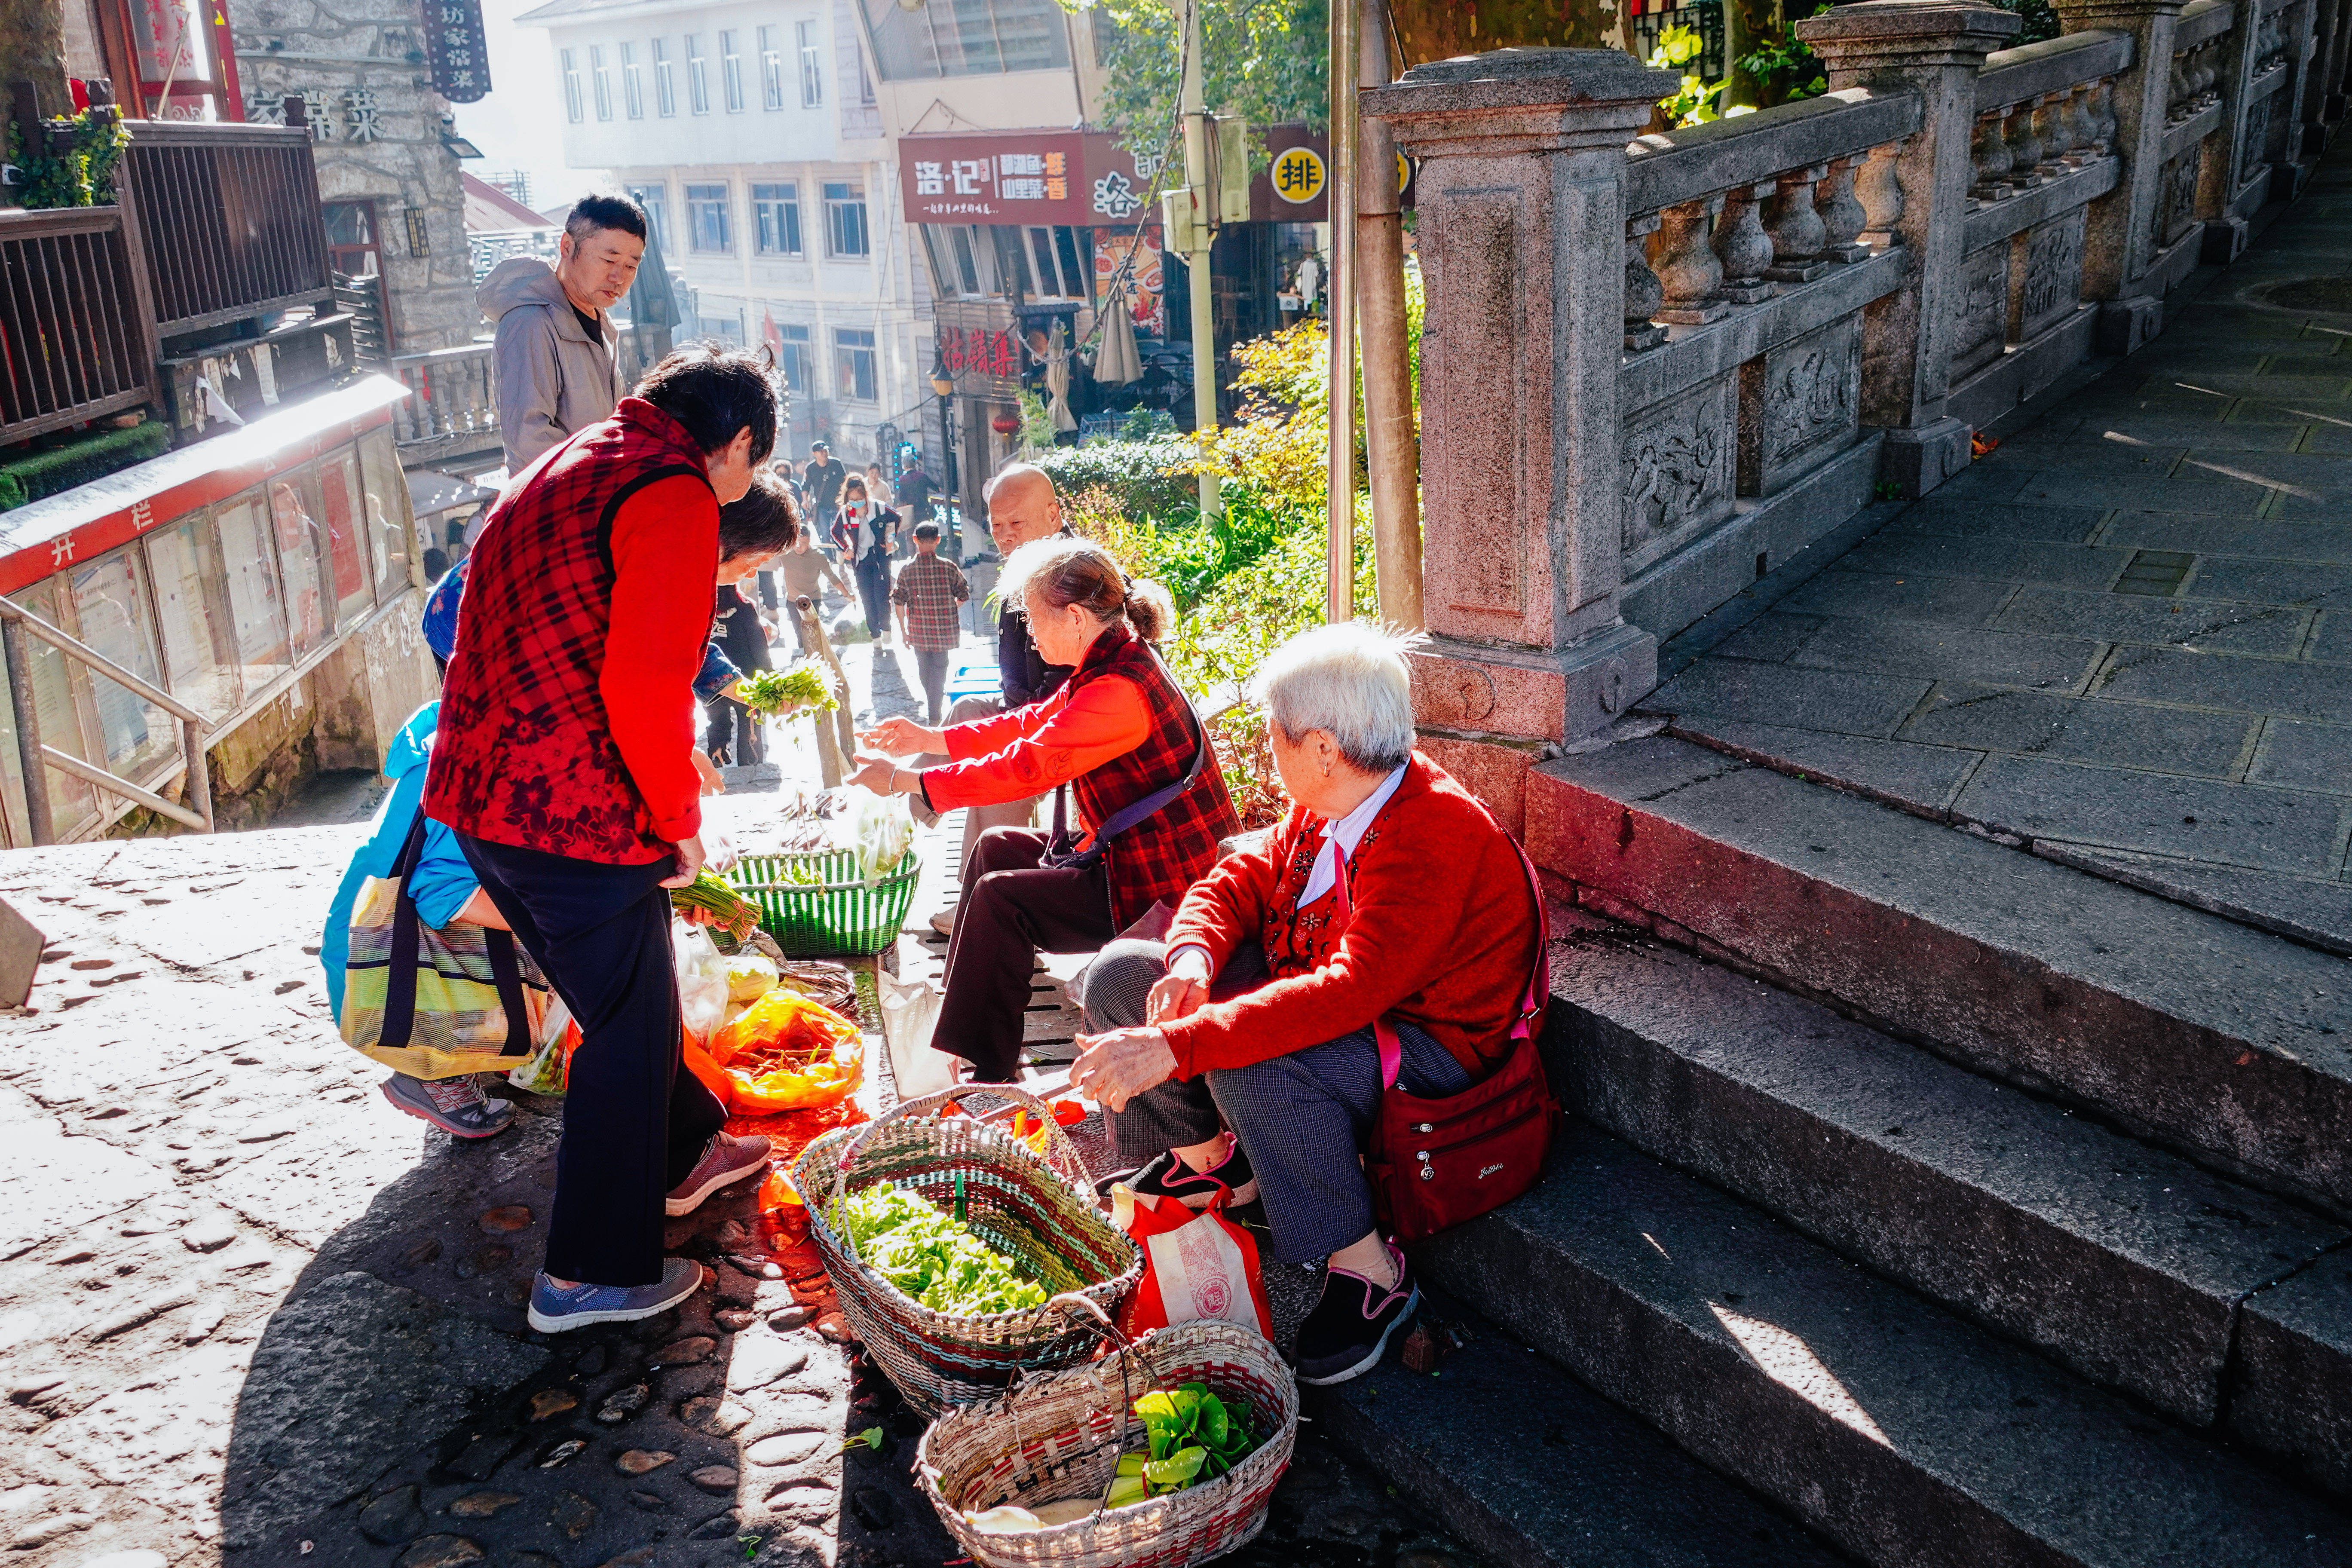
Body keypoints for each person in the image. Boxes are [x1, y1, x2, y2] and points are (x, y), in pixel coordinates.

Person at [1067, 623, 1541, 1387]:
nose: (1265, 749)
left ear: (1322, 746)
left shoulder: (1434, 833)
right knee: (1125, 975)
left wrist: (1178, 1045)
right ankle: (1224, 1166)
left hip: (1431, 1050)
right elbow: (1235, 880)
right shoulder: (1331, 800)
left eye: (1273, 734)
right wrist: (1191, 957)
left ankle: (1370, 1271)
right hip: (1350, 1011)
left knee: (1251, 1057)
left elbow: (1348, 993)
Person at [425, 343, 790, 1333]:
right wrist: (677, 822)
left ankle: (682, 1154)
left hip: (479, 794)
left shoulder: (570, 461)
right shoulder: (671, 490)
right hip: (570, 813)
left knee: (626, 1001)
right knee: (624, 1032)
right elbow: (643, 685)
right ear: (738, 444)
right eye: (750, 466)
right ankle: (585, 1272)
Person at [853, 536, 1240, 1083]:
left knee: (1000, 897)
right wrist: (930, 738)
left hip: (1164, 887)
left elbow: (1027, 766)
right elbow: (1027, 724)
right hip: (1127, 860)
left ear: (1076, 617)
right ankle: (969, 1018)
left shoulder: (1118, 691)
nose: (1029, 633)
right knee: (995, 847)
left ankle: (988, 1073)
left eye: (1034, 618)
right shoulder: (1112, 659)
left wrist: (904, 781)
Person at [320, 698, 518, 1140]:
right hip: (382, 978)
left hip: (364, 944)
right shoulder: (476, 761)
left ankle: (473, 1059)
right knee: (556, 933)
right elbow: (441, 894)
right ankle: (435, 1076)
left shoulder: (453, 721)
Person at [914, 462, 1075, 933]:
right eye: (997, 526)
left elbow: (1071, 684)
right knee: (963, 716)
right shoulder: (1023, 569)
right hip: (1026, 708)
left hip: (1069, 724)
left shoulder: (1071, 576)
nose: (1004, 536)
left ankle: (980, 903)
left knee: (994, 764)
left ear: (1053, 514)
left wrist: (1014, 723)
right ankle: (917, 815)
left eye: (1016, 524)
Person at [478, 192, 645, 474]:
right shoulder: (530, 322)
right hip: (556, 506)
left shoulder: (598, 319)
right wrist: (607, 479)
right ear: (567, 246)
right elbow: (529, 441)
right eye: (609, 260)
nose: (619, 277)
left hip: (594, 503)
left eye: (631, 266)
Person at [890, 520, 970, 725]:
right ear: (938, 541)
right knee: (940, 670)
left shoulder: (907, 570)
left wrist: (903, 631)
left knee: (924, 671)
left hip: (919, 631)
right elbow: (963, 595)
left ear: (915, 540)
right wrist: (949, 609)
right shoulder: (949, 568)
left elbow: (899, 602)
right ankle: (935, 710)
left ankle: (933, 708)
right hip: (944, 632)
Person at [833, 475, 899, 645]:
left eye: (859, 499)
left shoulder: (879, 508)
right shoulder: (846, 513)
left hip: (880, 559)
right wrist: (846, 549)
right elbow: (835, 532)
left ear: (866, 495)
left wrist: (889, 539)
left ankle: (887, 629)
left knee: (882, 597)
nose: (856, 502)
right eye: (852, 499)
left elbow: (897, 518)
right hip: (860, 561)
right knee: (867, 599)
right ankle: (875, 635)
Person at [776, 522, 851, 655]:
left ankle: (818, 655)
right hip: (793, 600)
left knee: (811, 630)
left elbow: (832, 577)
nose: (799, 547)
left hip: (812, 599)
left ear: (809, 541)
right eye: (797, 542)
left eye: (803, 543)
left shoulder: (818, 556)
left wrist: (847, 594)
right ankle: (806, 658)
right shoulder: (785, 553)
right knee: (799, 633)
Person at [802, 440, 847, 525]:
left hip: (838, 505)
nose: (824, 453)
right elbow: (806, 486)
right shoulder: (811, 468)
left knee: (838, 533)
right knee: (825, 535)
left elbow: (845, 481)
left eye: (826, 450)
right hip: (822, 507)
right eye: (821, 451)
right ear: (814, 454)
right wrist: (805, 500)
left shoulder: (836, 464)